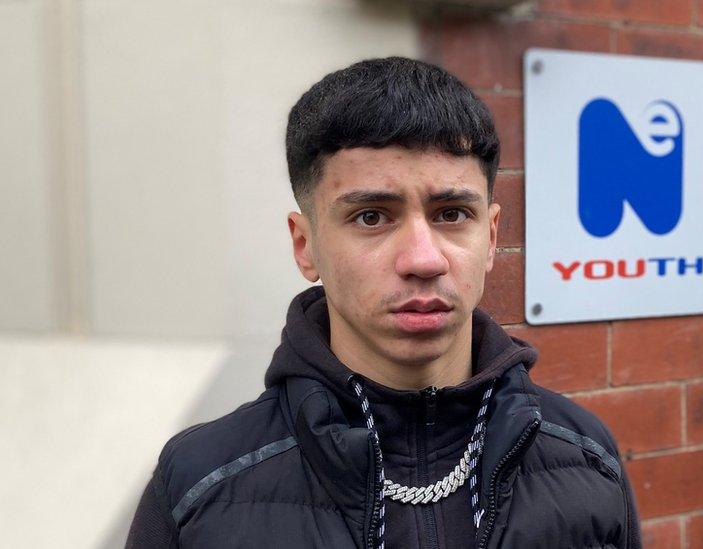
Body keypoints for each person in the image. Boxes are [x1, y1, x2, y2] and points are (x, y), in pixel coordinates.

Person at [125, 56, 641, 549]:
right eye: (371, 216)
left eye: (452, 213)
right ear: (306, 247)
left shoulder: (585, 455)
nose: (423, 259)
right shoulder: (200, 484)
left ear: (491, 235)